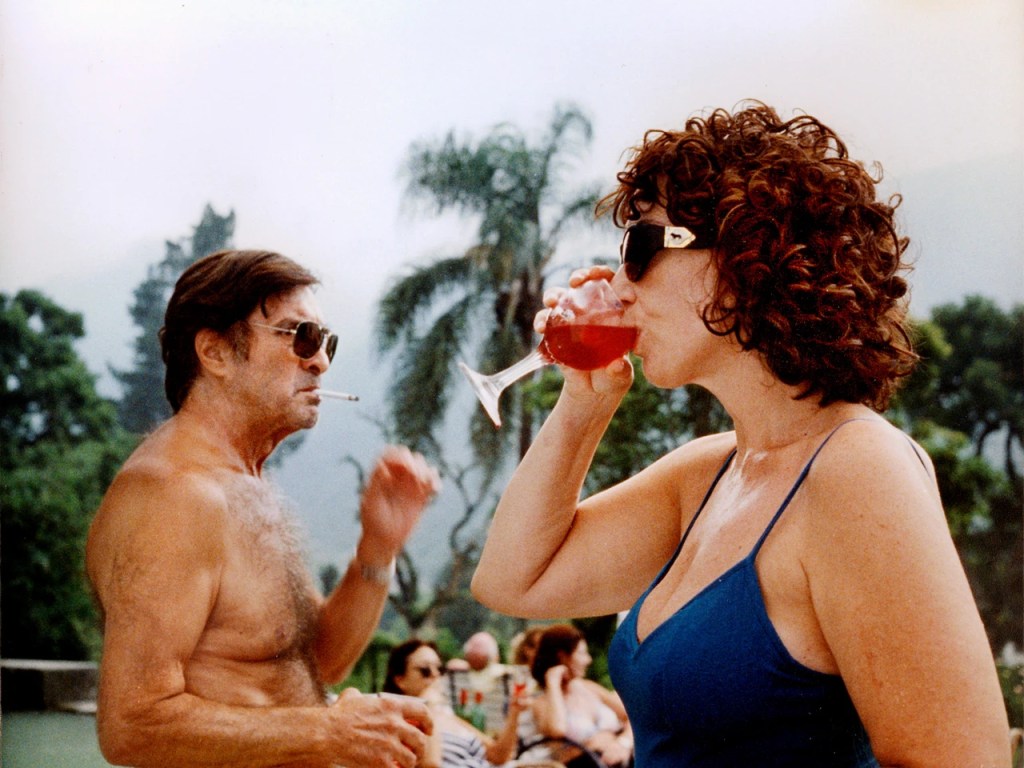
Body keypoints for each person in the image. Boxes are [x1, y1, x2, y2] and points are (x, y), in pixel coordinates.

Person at [471, 103, 1010, 766]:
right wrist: (585, 402)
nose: (616, 283)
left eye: (640, 248)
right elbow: (513, 580)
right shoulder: (708, 475)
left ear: (745, 254)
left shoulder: (859, 468)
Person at [86, 249, 441, 768]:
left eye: (326, 343)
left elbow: (320, 660)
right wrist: (326, 731)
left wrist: (378, 549)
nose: (320, 360)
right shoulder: (175, 496)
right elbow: (131, 726)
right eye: (301, 337)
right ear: (216, 352)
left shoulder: (246, 485)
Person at [383, 639, 528, 768]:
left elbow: (498, 755)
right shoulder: (397, 721)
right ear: (399, 680)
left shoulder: (446, 715)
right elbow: (430, 764)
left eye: (439, 668)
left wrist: (514, 713)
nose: (435, 675)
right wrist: (427, 704)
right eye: (425, 670)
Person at [529, 625, 632, 768]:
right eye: (582, 653)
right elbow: (557, 730)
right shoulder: (542, 701)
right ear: (563, 657)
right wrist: (552, 683)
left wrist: (622, 743)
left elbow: (633, 717)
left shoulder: (589, 687)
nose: (588, 660)